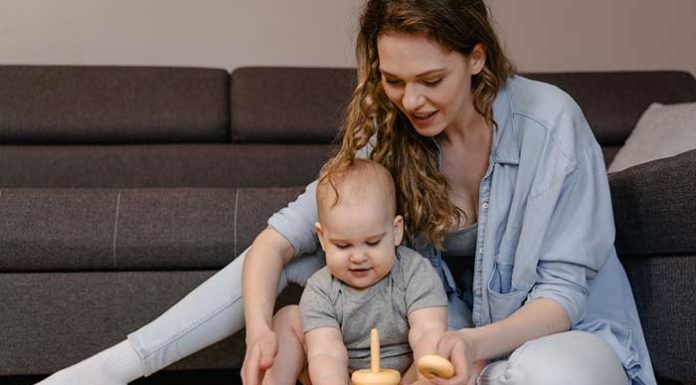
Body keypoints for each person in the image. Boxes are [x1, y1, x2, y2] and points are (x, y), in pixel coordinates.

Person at [37, 1, 657, 385]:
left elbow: (562, 299)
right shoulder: (392, 131)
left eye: (431, 80)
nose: (411, 101)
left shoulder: (552, 121)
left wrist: (466, 345)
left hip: (557, 341)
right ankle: (116, 367)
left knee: (549, 373)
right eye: (393, 80)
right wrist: (260, 330)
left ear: (476, 58)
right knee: (334, 239)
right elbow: (278, 241)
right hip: (448, 346)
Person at [264, 159, 448, 385]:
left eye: (372, 243)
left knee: (450, 355)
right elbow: (326, 353)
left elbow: (427, 332)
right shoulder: (321, 289)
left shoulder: (415, 273)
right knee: (287, 319)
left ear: (395, 231)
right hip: (345, 378)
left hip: (408, 377)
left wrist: (426, 373)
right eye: (343, 246)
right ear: (322, 238)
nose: (358, 257)